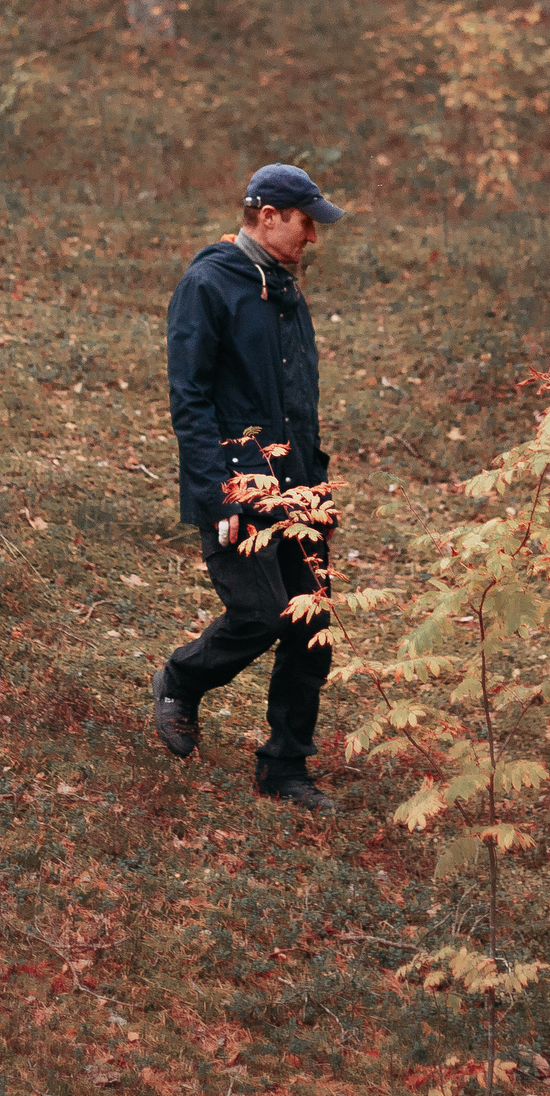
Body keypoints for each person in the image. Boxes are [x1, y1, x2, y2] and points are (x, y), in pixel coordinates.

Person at [150, 162, 345, 810]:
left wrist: (317, 483)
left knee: (311, 622)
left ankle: (285, 767)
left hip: (301, 486)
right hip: (239, 484)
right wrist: (219, 495)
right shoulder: (208, 286)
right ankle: (181, 678)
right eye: (303, 221)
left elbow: (297, 396)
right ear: (267, 217)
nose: (312, 236)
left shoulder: (282, 288)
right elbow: (190, 401)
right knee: (261, 613)